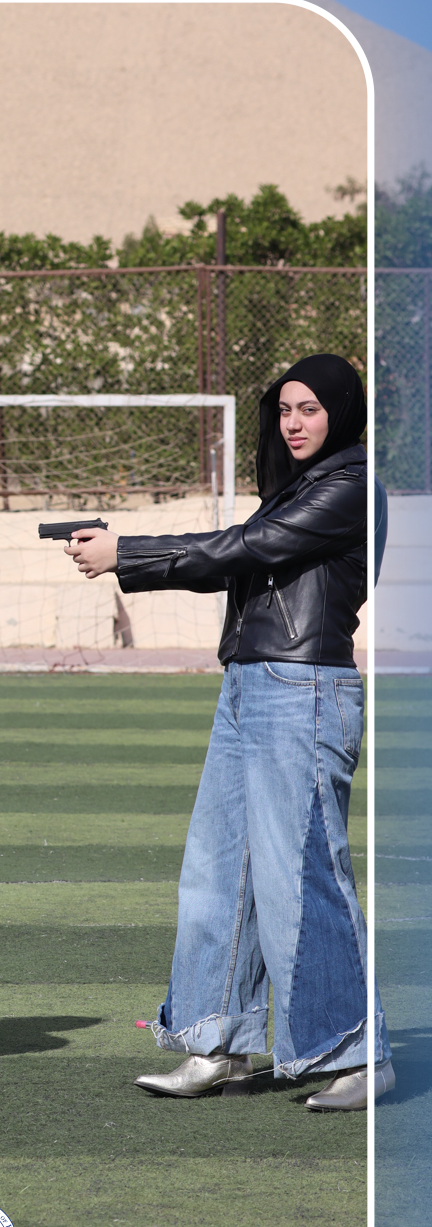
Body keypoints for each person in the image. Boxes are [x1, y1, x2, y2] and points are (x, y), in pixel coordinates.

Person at [65, 354, 392, 1111]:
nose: (292, 423)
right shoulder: (297, 490)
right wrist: (131, 551)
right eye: (284, 410)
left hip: (303, 691)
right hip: (249, 688)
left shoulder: (350, 485)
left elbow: (246, 549)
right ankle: (216, 1045)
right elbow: (239, 549)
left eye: (309, 409)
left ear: (341, 412)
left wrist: (127, 555)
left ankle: (358, 1054)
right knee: (217, 874)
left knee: (303, 877)